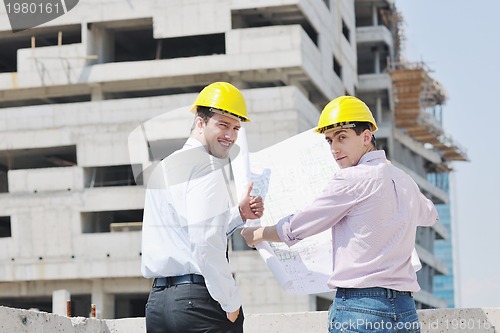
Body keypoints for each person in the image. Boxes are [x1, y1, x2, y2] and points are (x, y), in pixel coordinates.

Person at [241, 96, 438, 333]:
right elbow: (431, 216)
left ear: (366, 137)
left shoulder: (351, 179)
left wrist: (258, 233)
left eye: (342, 137)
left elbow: (298, 226)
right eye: (329, 140)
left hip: (360, 308)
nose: (334, 149)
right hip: (405, 311)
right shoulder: (405, 181)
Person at [142, 82, 264, 333]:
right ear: (200, 122)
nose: (230, 135)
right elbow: (205, 239)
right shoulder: (206, 165)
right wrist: (230, 301)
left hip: (158, 304)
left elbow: (188, 228)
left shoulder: (164, 167)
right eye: (222, 124)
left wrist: (239, 214)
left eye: (236, 128)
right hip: (197, 302)